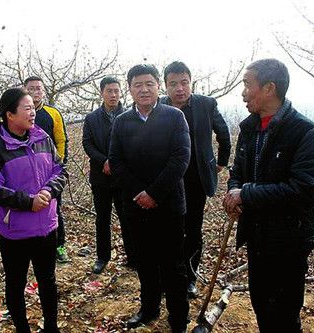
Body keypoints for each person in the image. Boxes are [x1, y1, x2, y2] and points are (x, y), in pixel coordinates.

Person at [223, 58, 314, 333]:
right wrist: (234, 192)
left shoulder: (306, 133)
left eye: (247, 85)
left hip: (289, 239)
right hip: (257, 235)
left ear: (269, 88)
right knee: (261, 304)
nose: (243, 92)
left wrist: (245, 193)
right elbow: (238, 170)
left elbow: (303, 189)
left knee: (284, 312)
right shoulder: (250, 129)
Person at [0, 88, 67, 333]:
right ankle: (22, 328)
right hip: (15, 231)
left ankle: (51, 327)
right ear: (9, 115)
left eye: (33, 108)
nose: (33, 113)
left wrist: (49, 191)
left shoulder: (43, 138)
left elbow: (60, 170)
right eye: (27, 108)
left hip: (47, 226)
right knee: (16, 283)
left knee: (48, 280)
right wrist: (28, 202)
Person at [109, 64, 190, 333]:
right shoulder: (121, 122)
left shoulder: (174, 117)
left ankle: (178, 318)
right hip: (135, 206)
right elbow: (117, 162)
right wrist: (139, 194)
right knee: (145, 262)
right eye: (137, 85)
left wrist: (154, 193)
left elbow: (181, 159)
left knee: (173, 265)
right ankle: (149, 308)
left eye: (149, 84)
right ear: (129, 89)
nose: (143, 89)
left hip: (169, 205)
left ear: (159, 86)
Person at [162, 61, 231, 297]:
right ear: (166, 86)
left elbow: (223, 133)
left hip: (196, 179)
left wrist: (221, 162)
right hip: (167, 180)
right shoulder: (158, 106)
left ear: (191, 83)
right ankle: (169, 275)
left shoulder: (206, 104)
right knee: (170, 229)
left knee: (193, 229)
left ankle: (190, 277)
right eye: (173, 84)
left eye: (184, 83)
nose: (180, 88)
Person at [82, 76, 137, 274]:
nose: (113, 95)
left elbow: (133, 144)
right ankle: (102, 257)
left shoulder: (130, 115)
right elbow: (87, 143)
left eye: (116, 91)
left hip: (124, 177)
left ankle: (133, 257)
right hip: (100, 176)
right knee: (102, 218)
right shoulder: (92, 118)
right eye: (109, 91)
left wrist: (115, 164)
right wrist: (103, 161)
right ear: (102, 93)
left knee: (127, 217)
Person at [24, 76, 69, 263]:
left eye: (39, 88)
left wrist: (57, 165)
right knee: (27, 206)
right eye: (31, 88)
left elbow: (61, 140)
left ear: (44, 90)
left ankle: (59, 246)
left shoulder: (52, 113)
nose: (36, 92)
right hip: (25, 173)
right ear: (25, 90)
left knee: (55, 208)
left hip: (50, 172)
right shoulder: (18, 112)